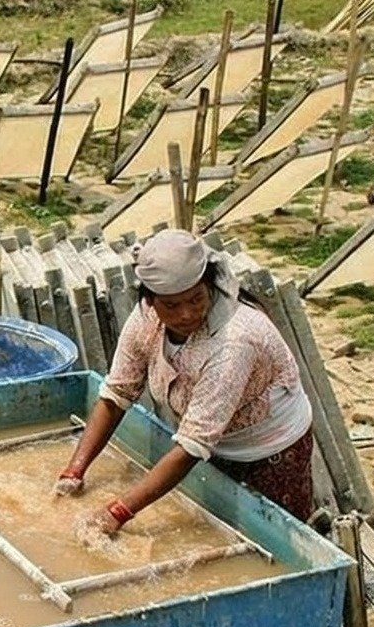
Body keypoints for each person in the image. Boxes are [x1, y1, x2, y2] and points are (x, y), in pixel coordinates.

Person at [54, 229, 315, 534]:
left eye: (196, 299)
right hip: (212, 442)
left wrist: (117, 512)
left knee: (278, 537)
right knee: (214, 531)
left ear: (209, 286)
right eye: (172, 306)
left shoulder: (234, 343)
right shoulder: (145, 320)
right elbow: (116, 395)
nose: (187, 314)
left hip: (270, 450)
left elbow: (192, 446)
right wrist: (74, 471)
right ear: (150, 301)